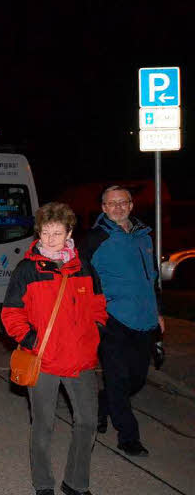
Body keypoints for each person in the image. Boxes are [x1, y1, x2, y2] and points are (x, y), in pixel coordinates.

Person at [3, 202, 107, 495]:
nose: (50, 239)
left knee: (88, 422)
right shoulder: (28, 269)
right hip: (44, 360)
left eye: (57, 232)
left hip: (81, 360)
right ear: (38, 233)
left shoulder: (85, 267)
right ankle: (43, 483)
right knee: (44, 424)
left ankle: (76, 483)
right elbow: (11, 313)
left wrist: (95, 332)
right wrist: (32, 340)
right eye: (45, 232)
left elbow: (99, 307)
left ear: (69, 233)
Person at [82, 185, 163, 457]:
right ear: (103, 208)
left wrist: (158, 312)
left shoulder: (144, 236)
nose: (117, 207)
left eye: (122, 202)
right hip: (112, 320)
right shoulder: (96, 238)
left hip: (144, 319)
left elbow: (151, 278)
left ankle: (103, 404)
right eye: (111, 203)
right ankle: (129, 437)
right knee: (117, 379)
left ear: (131, 205)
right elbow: (80, 275)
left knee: (137, 379)